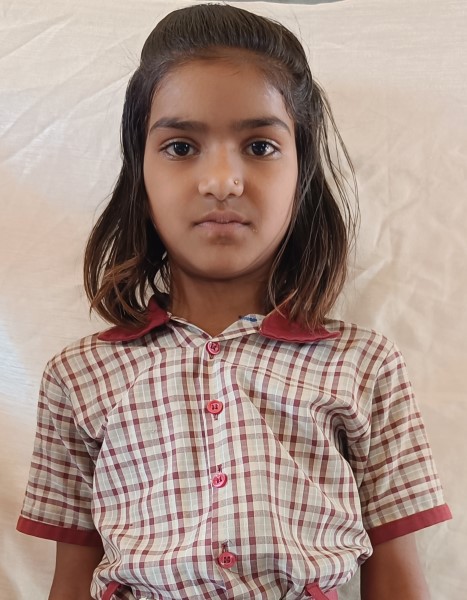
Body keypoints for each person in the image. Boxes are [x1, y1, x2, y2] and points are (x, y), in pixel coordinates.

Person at [17, 4, 451, 600]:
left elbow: (399, 578)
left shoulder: (366, 365)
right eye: (180, 147)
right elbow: (71, 579)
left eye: (260, 146)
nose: (222, 180)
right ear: (140, 175)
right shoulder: (79, 376)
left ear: (301, 173)